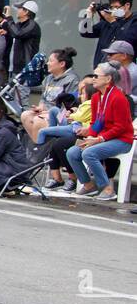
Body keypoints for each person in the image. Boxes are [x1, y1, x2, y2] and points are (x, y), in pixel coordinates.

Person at [65, 63, 135, 201]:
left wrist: (99, 139)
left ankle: (108, 189)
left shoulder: (118, 97)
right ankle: (88, 185)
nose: (93, 79)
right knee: (72, 152)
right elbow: (96, 123)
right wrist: (88, 131)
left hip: (121, 140)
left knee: (89, 153)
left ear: (108, 79)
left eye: (96, 76)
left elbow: (121, 127)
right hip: (104, 138)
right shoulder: (97, 97)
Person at [20, 47, 80, 141]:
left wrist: (48, 112)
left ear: (62, 64)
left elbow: (69, 105)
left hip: (60, 115)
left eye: (51, 61)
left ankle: (40, 150)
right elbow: (44, 98)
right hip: (45, 112)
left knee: (38, 121)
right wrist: (40, 108)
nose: (47, 63)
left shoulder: (72, 79)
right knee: (25, 115)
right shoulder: (49, 78)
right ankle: (36, 146)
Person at [80, 0, 136, 69]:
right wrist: (88, 16)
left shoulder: (134, 22)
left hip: (121, 72)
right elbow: (85, 32)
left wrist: (112, 22)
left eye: (116, 7)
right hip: (101, 70)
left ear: (127, 5)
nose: (114, 10)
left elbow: (125, 40)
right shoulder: (108, 22)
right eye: (112, 7)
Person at [4, 0, 42, 77]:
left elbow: (17, 34)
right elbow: (14, 33)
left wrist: (9, 18)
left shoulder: (32, 25)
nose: (17, 11)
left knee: (23, 89)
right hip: (14, 68)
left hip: (25, 69)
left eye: (19, 8)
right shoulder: (19, 25)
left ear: (26, 12)